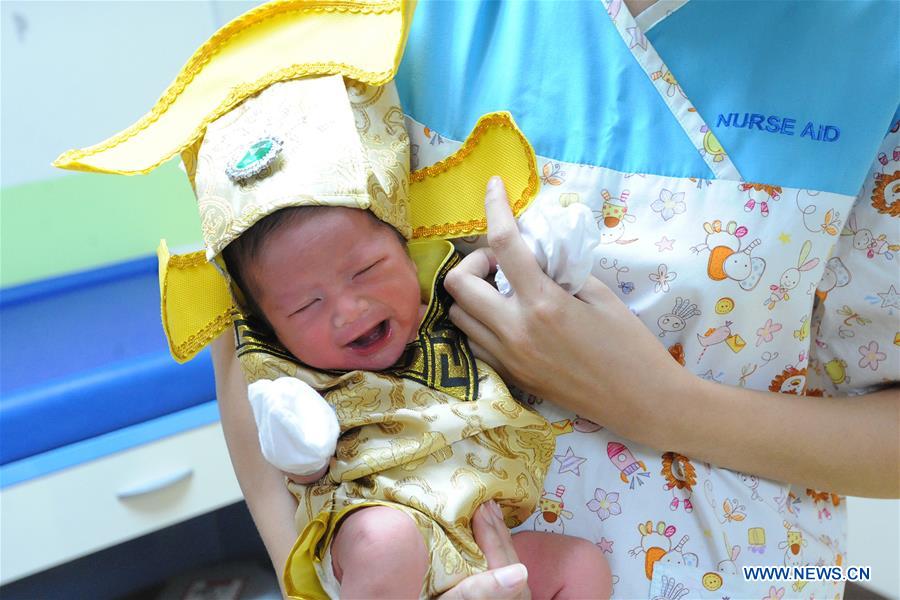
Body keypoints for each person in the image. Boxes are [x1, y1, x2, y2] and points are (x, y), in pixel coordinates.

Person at [212, 1, 900, 599]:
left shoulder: (877, 41)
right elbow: (249, 329)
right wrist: (332, 578)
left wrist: (663, 409)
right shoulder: (385, 18)